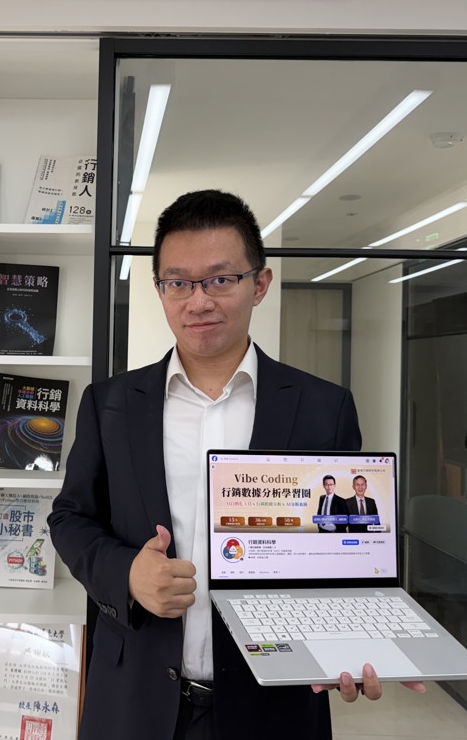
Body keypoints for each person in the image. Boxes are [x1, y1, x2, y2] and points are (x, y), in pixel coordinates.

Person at [48, 189, 422, 740]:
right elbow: (70, 518)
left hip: (273, 706)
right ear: (159, 289)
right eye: (178, 282)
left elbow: (345, 547)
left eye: (220, 279)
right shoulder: (111, 403)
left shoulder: (323, 407)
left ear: (259, 284)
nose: (198, 301)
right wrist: (126, 573)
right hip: (134, 700)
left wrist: (355, 644)